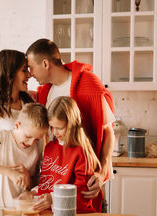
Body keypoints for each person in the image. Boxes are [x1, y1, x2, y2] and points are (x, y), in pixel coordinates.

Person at [26, 38, 115, 206]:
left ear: (45, 63)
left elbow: (108, 132)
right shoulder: (46, 92)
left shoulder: (90, 84)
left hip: (86, 183)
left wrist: (101, 172)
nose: (30, 73)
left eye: (31, 67)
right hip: (58, 184)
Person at [22, 96, 102, 213]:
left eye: (59, 128)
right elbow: (47, 182)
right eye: (52, 127)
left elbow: (82, 194)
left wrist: (52, 198)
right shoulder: (49, 147)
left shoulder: (81, 152)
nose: (54, 132)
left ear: (72, 124)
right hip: (50, 213)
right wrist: (34, 192)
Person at [0, 103, 49, 208]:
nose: (31, 142)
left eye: (37, 139)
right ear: (17, 125)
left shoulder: (35, 150)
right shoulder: (0, 137)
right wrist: (9, 172)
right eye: (28, 136)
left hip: (17, 209)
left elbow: (33, 183)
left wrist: (28, 179)